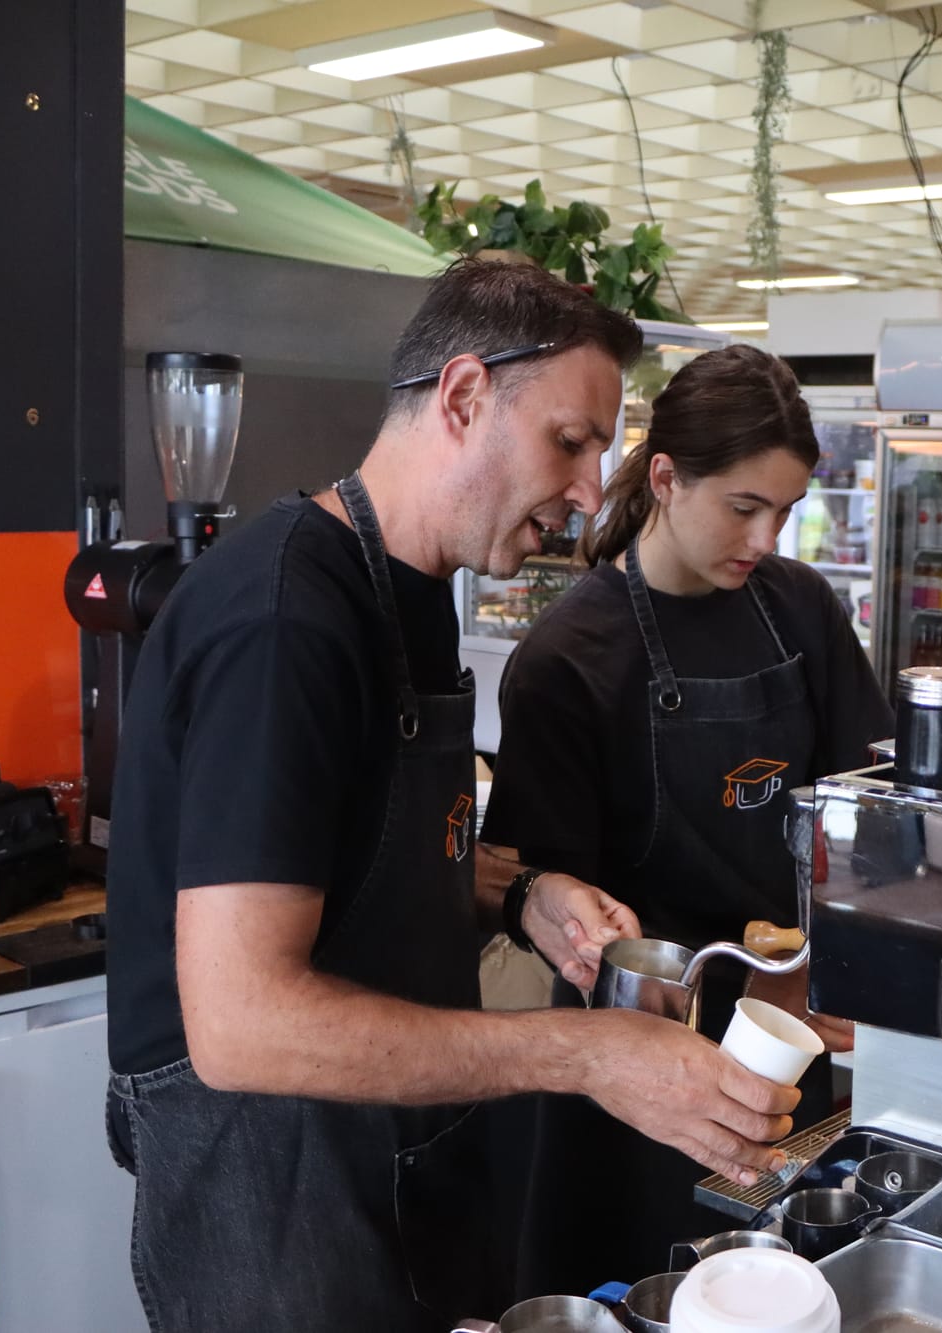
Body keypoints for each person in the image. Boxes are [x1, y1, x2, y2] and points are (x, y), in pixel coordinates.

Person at [102, 260, 802, 1332]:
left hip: (393, 1162)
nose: (584, 492)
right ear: (464, 395)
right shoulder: (285, 621)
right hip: (272, 1196)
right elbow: (242, 1022)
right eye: (569, 442)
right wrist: (582, 1057)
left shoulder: (411, 591)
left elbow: (352, 856)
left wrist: (520, 892)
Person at [483, 344, 893, 1293]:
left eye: (784, 511)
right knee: (647, 1291)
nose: (765, 538)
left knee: (783, 1294)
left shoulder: (799, 611)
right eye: (743, 507)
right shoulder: (568, 658)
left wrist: (849, 963)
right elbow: (547, 901)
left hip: (791, 1042)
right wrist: (612, 967)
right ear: (664, 477)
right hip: (636, 1063)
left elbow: (859, 815)